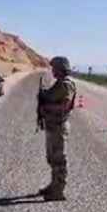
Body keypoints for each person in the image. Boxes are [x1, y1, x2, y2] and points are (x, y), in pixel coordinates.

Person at [37, 56, 77, 201]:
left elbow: (64, 105)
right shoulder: (59, 83)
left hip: (59, 126)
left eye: (54, 68)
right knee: (52, 158)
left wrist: (46, 107)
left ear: (61, 68)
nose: (52, 70)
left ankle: (58, 191)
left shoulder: (66, 84)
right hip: (53, 125)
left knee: (59, 159)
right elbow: (51, 96)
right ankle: (53, 185)